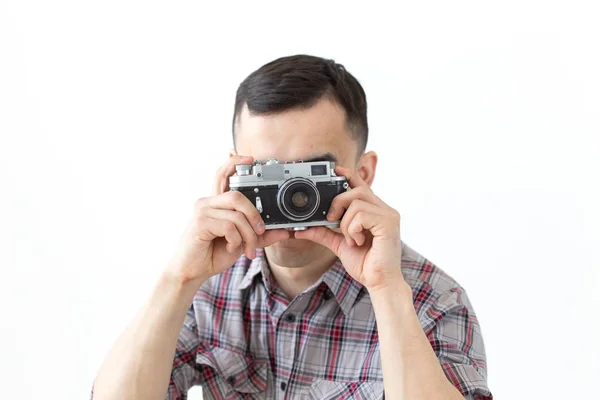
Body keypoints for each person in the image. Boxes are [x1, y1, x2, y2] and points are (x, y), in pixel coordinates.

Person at [91, 55, 493, 400]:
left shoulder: (433, 302)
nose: (292, 197)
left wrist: (387, 292)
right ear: (235, 173)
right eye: (267, 173)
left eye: (310, 176)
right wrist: (179, 278)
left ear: (364, 174)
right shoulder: (209, 285)